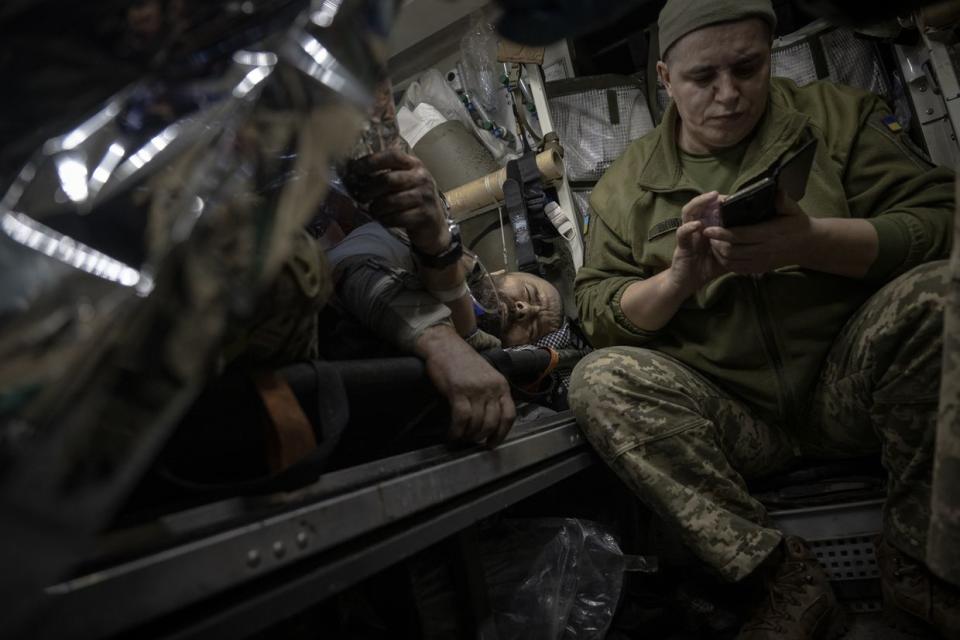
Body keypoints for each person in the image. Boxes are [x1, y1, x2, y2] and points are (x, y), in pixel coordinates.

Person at [568, 1, 957, 638]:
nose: (730, 95)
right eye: (702, 79)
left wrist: (811, 242)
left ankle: (922, 563)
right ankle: (777, 578)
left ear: (770, 52)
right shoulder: (623, 187)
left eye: (748, 68)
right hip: (737, 418)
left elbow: (941, 223)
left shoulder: (836, 118)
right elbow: (595, 309)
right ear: (665, 79)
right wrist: (677, 282)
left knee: (943, 294)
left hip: (849, 388)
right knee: (599, 380)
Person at [325, 147, 566, 448]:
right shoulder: (417, 245)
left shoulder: (493, 374)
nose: (523, 308)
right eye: (529, 295)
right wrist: (441, 340)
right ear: (504, 271)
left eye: (532, 327)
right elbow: (345, 268)